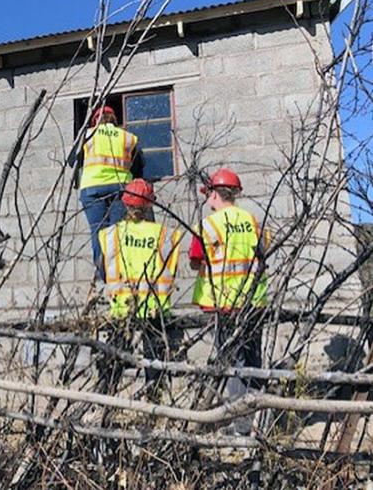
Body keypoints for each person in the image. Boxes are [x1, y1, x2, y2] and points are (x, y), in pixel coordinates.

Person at [189, 168, 270, 434]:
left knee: (234, 364)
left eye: (208, 194)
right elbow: (263, 253)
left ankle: (241, 424)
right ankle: (257, 419)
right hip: (253, 302)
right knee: (252, 361)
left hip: (224, 303)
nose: (207, 200)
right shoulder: (254, 221)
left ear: (214, 194)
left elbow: (194, 261)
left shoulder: (208, 225)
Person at [98, 179, 181, 398]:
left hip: (122, 309)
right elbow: (172, 270)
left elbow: (103, 268)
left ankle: (103, 404)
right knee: (155, 364)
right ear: (150, 205)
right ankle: (154, 405)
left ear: (125, 204)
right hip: (154, 310)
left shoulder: (110, 235)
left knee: (112, 363)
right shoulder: (166, 235)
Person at [70, 105, 143, 279]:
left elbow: (71, 160)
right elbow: (139, 168)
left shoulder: (87, 135)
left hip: (92, 189)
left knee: (99, 232)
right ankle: (119, 272)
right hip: (121, 189)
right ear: (115, 120)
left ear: (96, 120)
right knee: (117, 232)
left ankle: (104, 274)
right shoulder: (128, 138)